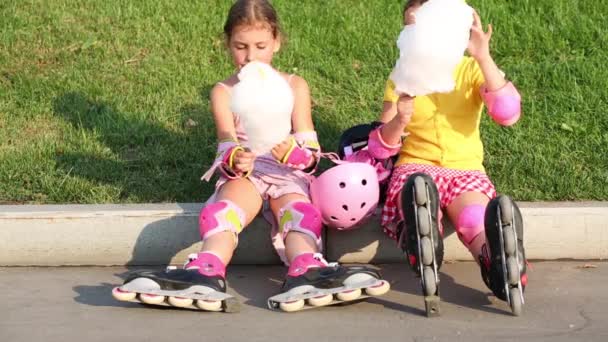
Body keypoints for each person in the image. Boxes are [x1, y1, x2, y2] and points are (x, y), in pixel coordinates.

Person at [113, 0, 388, 313]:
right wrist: (235, 159)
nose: (251, 56)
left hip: (287, 173)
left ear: (276, 43)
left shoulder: (294, 86)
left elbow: (311, 151)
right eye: (241, 47)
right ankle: (207, 269)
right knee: (221, 212)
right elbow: (226, 143)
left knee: (300, 214)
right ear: (228, 44)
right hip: (246, 173)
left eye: (260, 46)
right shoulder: (224, 92)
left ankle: (307, 267)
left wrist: (296, 156)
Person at [367, 0, 527, 316]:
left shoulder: (469, 71)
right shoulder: (400, 77)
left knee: (472, 218)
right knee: (417, 187)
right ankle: (423, 236)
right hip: (415, 165)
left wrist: (483, 56)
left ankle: (498, 263)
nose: (416, 35)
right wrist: (399, 120)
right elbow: (379, 148)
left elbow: (508, 114)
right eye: (410, 27)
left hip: (464, 168)